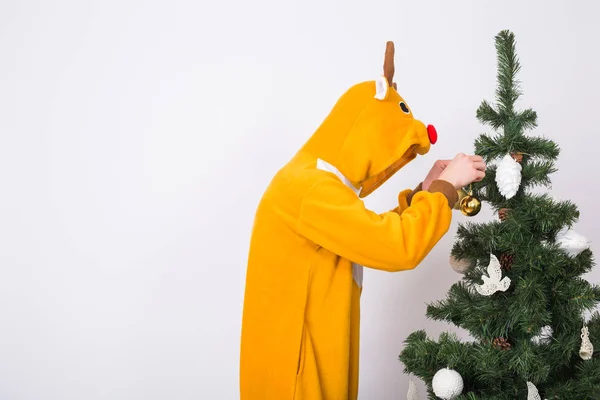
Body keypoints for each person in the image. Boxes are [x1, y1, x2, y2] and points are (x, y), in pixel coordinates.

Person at [239, 42, 486, 400]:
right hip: (297, 383)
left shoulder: (312, 184)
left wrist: (425, 190)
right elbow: (395, 246)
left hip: (310, 369)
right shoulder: (310, 187)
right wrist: (446, 190)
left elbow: (362, 233)